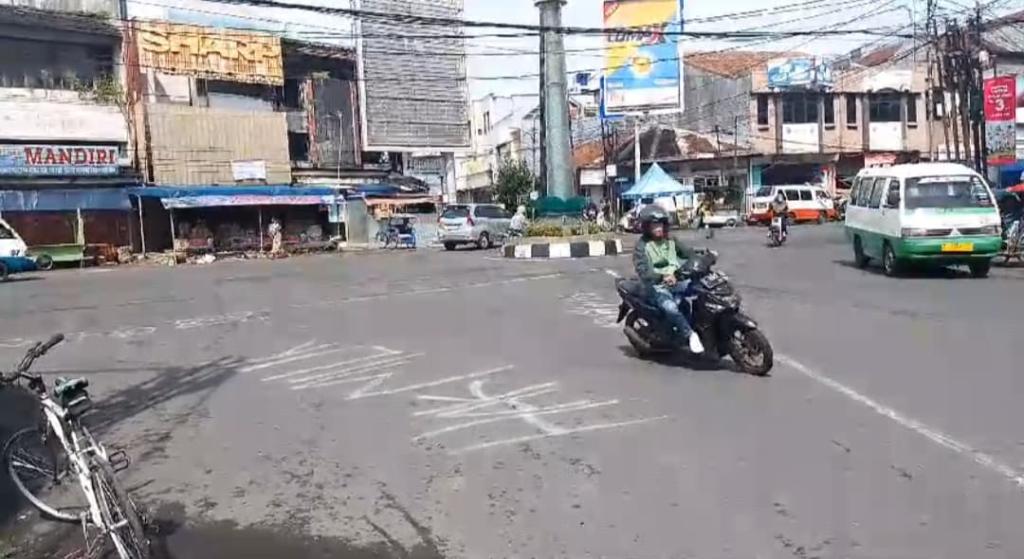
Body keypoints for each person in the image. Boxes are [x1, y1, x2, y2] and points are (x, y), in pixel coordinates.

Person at [632, 205, 704, 354]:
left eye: (660, 224)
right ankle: (690, 335)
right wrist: (662, 276)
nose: (658, 228)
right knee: (670, 307)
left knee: (702, 288)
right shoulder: (641, 247)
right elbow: (643, 271)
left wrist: (702, 258)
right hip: (655, 287)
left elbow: (688, 253)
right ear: (647, 227)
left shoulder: (670, 240)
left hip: (676, 281)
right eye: (654, 224)